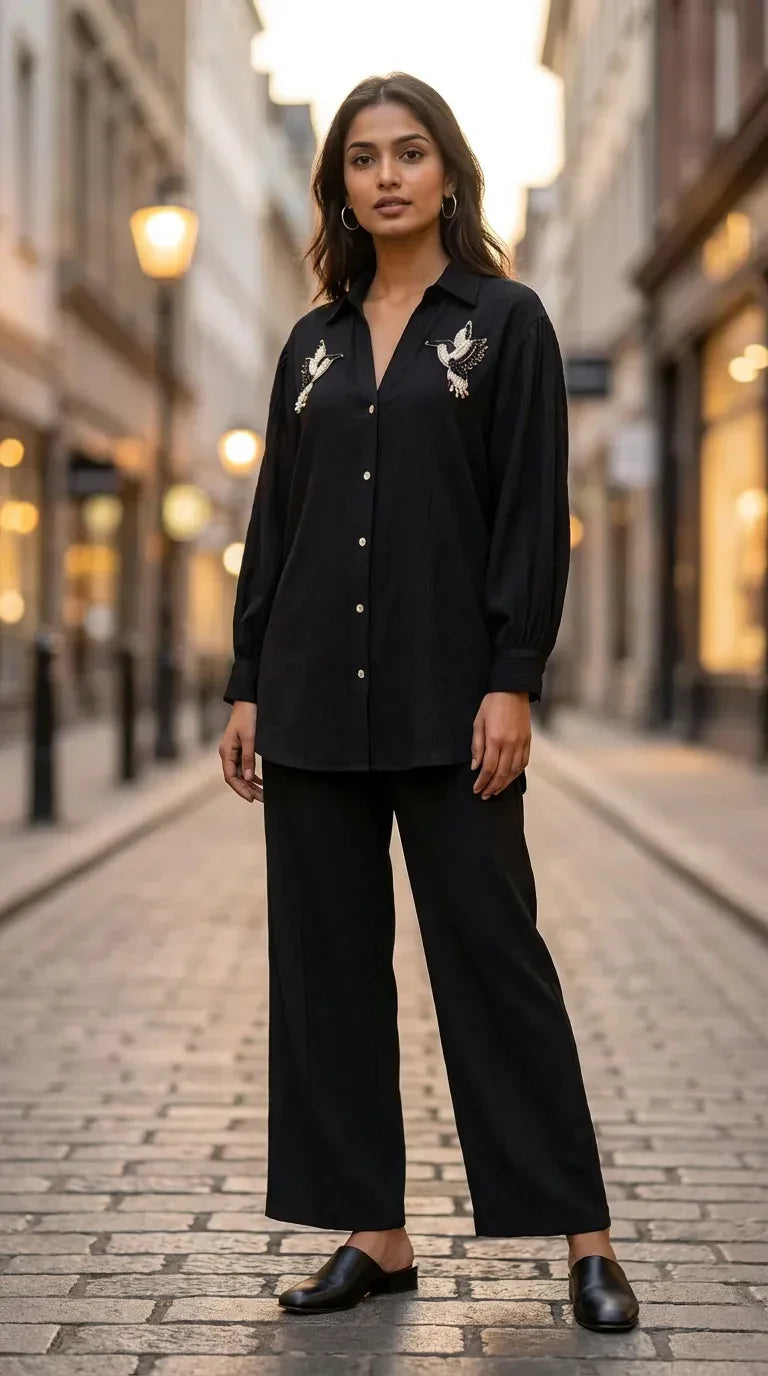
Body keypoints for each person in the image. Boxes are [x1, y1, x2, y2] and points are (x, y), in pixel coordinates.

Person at [219, 71, 639, 1332]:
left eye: (409, 152)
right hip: (310, 702)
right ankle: (375, 1234)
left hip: (451, 701)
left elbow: (529, 516)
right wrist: (247, 682)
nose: (387, 175)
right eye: (363, 158)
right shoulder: (313, 343)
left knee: (496, 959)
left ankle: (586, 1237)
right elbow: (275, 522)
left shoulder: (506, 323)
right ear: (340, 186)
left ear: (448, 171)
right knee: (329, 973)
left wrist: (514, 674)